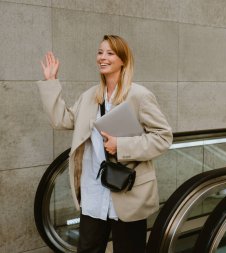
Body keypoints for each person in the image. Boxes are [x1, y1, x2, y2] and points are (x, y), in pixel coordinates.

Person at [37, 35, 173, 253]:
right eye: (100, 52)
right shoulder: (90, 96)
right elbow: (62, 120)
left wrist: (121, 145)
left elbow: (163, 137)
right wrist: (51, 83)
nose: (103, 57)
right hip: (93, 191)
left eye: (110, 53)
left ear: (123, 60)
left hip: (128, 192)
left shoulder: (139, 95)